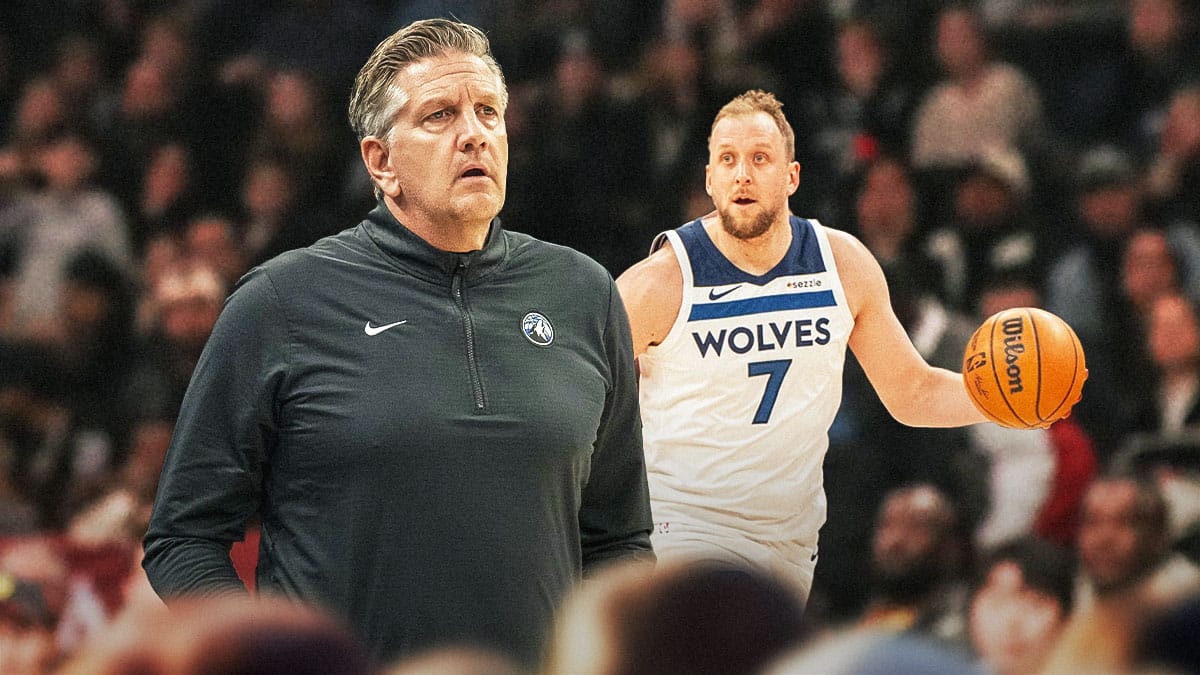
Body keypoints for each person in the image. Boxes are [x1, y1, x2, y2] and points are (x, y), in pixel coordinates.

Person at [142, 18, 653, 667]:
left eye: (488, 112)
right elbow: (183, 536)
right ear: (381, 162)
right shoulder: (281, 302)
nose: (474, 133)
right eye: (439, 115)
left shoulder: (583, 293)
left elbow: (620, 540)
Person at [615, 89, 1053, 605]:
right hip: (683, 530)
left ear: (792, 176)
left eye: (760, 158)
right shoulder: (658, 283)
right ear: (710, 179)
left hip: (790, 541)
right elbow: (583, 401)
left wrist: (1002, 399)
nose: (742, 175)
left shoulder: (841, 264)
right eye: (727, 160)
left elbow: (911, 392)